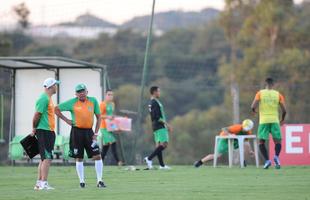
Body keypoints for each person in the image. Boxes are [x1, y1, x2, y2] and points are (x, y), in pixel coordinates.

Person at [54, 83, 105, 188]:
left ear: (87, 91)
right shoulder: (72, 102)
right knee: (79, 157)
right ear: (75, 94)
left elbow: (99, 117)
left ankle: (99, 181)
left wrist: (95, 133)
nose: (81, 93)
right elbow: (56, 109)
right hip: (76, 132)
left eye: (83, 91)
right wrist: (66, 120)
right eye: (79, 92)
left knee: (97, 155)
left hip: (89, 132)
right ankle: (82, 182)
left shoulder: (93, 101)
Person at [251, 77, 286, 169]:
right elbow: (284, 110)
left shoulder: (260, 93)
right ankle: (276, 157)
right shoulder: (278, 94)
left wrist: (254, 111)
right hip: (274, 120)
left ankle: (267, 161)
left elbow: (253, 106)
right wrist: (282, 119)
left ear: (265, 84)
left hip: (264, 121)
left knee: (261, 142)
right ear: (273, 84)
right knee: (277, 141)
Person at [32, 77, 60, 190]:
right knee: (47, 158)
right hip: (44, 131)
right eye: (55, 85)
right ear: (51, 86)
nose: (56, 87)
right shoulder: (44, 98)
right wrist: (34, 128)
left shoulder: (48, 98)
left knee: (44, 158)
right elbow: (37, 115)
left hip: (47, 131)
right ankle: (44, 183)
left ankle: (39, 183)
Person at [144, 86, 172, 170]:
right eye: (158, 91)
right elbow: (156, 116)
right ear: (154, 92)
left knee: (159, 145)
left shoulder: (153, 102)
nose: (159, 93)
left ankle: (162, 165)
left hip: (155, 126)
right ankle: (149, 158)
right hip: (159, 125)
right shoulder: (154, 102)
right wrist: (166, 124)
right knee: (165, 144)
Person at [99, 90, 123, 166]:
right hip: (103, 127)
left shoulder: (112, 104)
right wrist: (107, 117)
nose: (110, 96)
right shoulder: (102, 104)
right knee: (113, 141)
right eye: (109, 94)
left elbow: (112, 117)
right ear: (105, 95)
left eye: (111, 95)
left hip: (110, 127)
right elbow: (99, 116)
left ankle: (99, 162)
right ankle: (118, 161)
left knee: (106, 146)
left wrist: (116, 127)